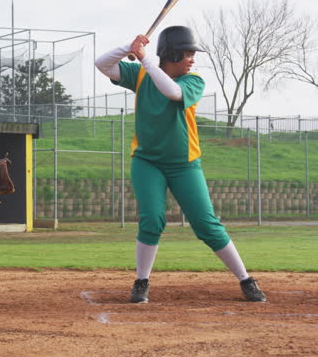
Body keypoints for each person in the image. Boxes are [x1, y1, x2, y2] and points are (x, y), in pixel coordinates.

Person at [94, 25, 266, 304]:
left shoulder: (193, 81)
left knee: (207, 225)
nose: (192, 59)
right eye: (187, 53)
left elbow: (172, 92)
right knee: (152, 219)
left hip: (184, 164)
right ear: (171, 53)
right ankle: (141, 281)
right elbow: (101, 64)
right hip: (147, 162)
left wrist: (145, 59)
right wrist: (129, 47)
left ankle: (246, 279)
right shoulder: (140, 74)